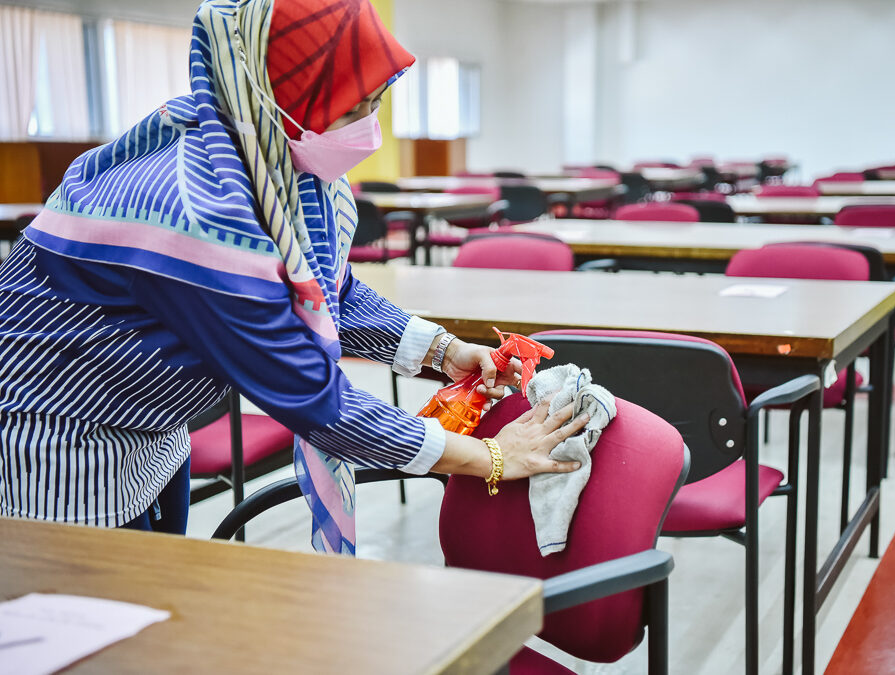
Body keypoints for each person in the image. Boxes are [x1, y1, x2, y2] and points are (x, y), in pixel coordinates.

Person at [0, 0, 584, 554]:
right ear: (277, 99)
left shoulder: (262, 155)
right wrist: (490, 456)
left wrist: (442, 349)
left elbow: (328, 292)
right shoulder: (199, 211)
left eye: (375, 102)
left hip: (146, 427)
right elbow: (310, 395)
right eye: (351, 109)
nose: (366, 127)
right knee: (92, 631)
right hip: (57, 441)